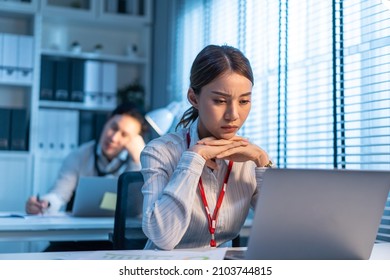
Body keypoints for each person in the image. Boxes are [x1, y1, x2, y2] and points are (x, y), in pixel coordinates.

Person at [140, 44, 272, 250]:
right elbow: (163, 238)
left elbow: (281, 230)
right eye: (220, 101)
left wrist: (263, 161)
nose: (234, 115)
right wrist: (193, 159)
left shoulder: (249, 157)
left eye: (244, 101)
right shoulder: (160, 152)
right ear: (194, 98)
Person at [25, 102, 147, 251]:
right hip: (77, 239)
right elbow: (59, 194)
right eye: (113, 128)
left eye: (124, 135)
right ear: (107, 121)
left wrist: (137, 160)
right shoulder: (79, 155)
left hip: (115, 241)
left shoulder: (137, 163)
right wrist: (44, 204)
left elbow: (136, 211)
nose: (114, 138)